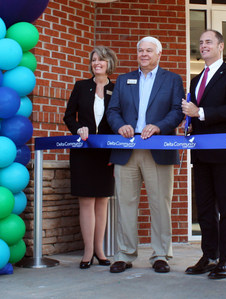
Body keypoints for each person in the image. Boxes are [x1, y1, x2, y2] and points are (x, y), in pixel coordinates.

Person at [106, 36, 184, 274]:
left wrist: (159, 126)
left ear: (159, 54)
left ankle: (161, 254)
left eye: (149, 50)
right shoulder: (123, 79)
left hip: (157, 148)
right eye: (141, 50)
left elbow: (176, 112)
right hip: (127, 149)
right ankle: (124, 254)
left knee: (160, 204)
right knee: (126, 204)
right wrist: (120, 126)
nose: (144, 54)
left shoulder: (172, 79)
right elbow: (113, 110)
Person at [182, 29, 226, 279]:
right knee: (205, 207)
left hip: (225, 152)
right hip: (200, 152)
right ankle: (209, 255)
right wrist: (188, 121)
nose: (203, 45)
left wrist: (200, 113)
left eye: (209, 41)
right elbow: (194, 113)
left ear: (221, 46)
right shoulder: (196, 79)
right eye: (201, 42)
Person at [63, 46, 118, 269]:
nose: (97, 63)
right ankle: (87, 253)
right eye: (94, 60)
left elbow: (120, 119)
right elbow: (68, 116)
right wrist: (78, 129)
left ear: (109, 64)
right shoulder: (80, 86)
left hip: (106, 152)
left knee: (102, 202)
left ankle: (100, 251)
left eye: (101, 60)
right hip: (83, 152)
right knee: (86, 202)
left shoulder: (117, 89)